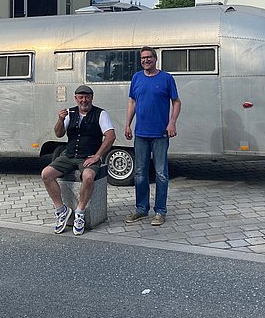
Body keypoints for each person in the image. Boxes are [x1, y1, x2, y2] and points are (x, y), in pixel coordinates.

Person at [41, 85, 116, 236]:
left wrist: (97, 156)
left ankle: (80, 213)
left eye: (87, 97)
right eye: (80, 97)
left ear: (92, 98)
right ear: (76, 98)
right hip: (69, 155)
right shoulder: (70, 113)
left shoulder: (100, 114)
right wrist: (60, 120)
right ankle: (61, 210)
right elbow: (58, 134)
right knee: (46, 174)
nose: (84, 100)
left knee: (88, 177)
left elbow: (110, 136)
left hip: (89, 156)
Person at [124, 47, 181, 227]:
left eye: (149, 57)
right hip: (140, 134)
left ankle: (160, 211)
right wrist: (127, 124)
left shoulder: (166, 78)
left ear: (155, 59)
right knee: (140, 174)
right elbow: (132, 101)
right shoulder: (136, 78)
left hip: (160, 134)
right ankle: (141, 209)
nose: (146, 60)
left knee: (161, 174)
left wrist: (172, 122)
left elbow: (176, 102)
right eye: (143, 58)